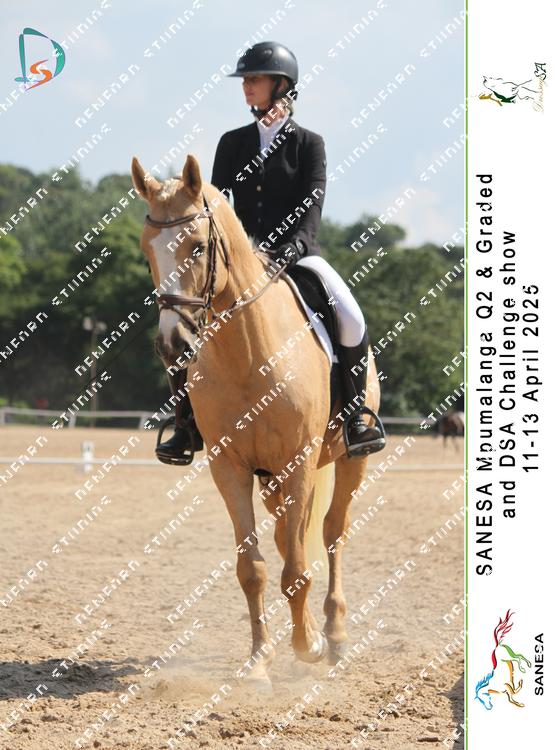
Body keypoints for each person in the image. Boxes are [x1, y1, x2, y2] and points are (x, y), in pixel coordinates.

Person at [156, 41, 385, 464]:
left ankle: (355, 417)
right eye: (245, 80)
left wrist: (293, 246)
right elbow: (215, 205)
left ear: (281, 85)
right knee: (181, 315)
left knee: (351, 315)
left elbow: (312, 205)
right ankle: (185, 424)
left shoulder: (309, 144)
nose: (247, 86)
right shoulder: (232, 143)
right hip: (240, 263)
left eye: (255, 79)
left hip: (297, 255)